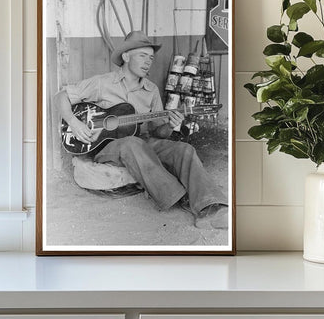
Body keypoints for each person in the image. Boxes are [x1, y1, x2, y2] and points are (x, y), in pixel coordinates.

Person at [55, 30, 227, 228]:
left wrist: (171, 125)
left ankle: (211, 206)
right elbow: (61, 96)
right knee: (132, 143)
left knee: (184, 150)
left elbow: (157, 132)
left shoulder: (151, 90)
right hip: (106, 147)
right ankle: (181, 198)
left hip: (143, 141)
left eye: (151, 57)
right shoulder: (102, 83)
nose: (148, 62)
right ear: (126, 57)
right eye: (142, 56)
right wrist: (75, 123)